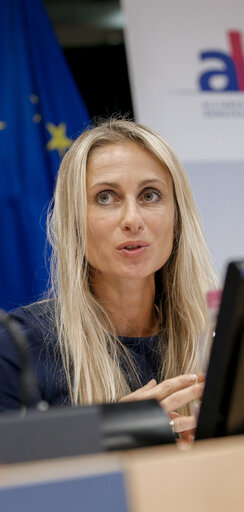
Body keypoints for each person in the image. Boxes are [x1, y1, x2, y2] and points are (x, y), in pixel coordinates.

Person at [0, 118, 218, 438]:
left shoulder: (215, 337)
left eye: (150, 195)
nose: (132, 219)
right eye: (105, 197)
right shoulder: (18, 346)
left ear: (177, 220)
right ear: (74, 222)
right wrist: (107, 434)